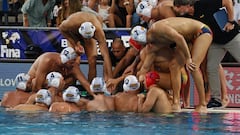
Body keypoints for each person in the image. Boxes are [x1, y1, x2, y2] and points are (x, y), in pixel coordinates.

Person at [173, 0, 240, 108]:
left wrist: (231, 21)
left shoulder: (204, 3)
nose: (176, 9)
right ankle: (216, 99)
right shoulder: (188, 18)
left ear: (188, 6)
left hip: (232, 37)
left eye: (178, 6)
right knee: (211, 67)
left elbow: (227, 2)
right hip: (215, 42)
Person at [138, 17, 213, 112]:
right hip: (187, 39)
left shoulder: (157, 28)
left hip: (201, 32)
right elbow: (145, 67)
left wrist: (188, 58)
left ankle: (202, 104)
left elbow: (179, 38)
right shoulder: (152, 45)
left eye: (148, 43)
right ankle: (176, 102)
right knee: (174, 65)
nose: (149, 46)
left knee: (193, 66)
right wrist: (140, 78)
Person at [58, 12, 113, 82]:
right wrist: (75, 43)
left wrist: (111, 77)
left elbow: (106, 56)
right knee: (73, 62)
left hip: (90, 33)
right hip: (74, 35)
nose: (86, 39)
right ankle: (70, 86)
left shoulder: (98, 31)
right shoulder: (71, 23)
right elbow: (61, 29)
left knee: (92, 60)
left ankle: (91, 88)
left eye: (88, 37)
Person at [27, 47, 93, 96]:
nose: (73, 65)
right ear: (65, 61)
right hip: (33, 85)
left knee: (72, 78)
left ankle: (58, 96)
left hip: (53, 89)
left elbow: (85, 83)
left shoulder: (73, 66)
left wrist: (97, 97)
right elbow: (38, 86)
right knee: (34, 81)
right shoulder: (47, 61)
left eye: (74, 62)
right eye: (71, 63)